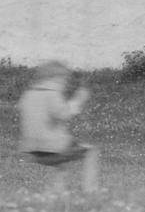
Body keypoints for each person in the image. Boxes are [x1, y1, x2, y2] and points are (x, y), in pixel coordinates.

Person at [19, 60, 99, 193]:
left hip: (31, 150)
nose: (64, 84)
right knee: (90, 151)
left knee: (61, 162)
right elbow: (64, 114)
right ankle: (90, 190)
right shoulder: (51, 94)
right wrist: (79, 99)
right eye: (64, 80)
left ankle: (58, 191)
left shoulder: (28, 94)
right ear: (54, 78)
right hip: (53, 148)